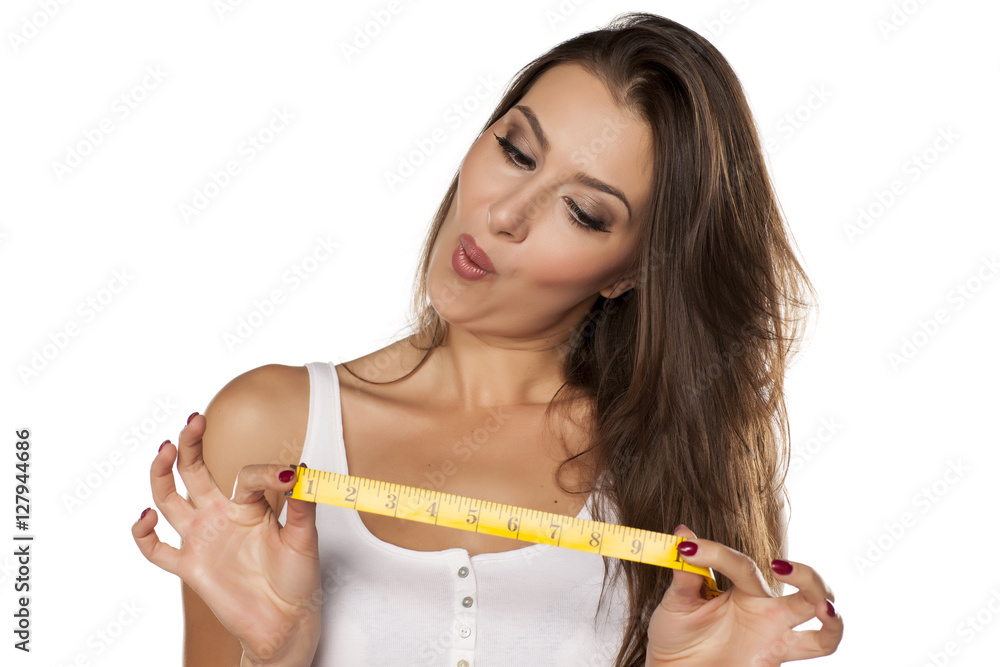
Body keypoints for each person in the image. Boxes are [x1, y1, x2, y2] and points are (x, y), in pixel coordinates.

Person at [132, 12, 844, 666]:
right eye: (516, 150)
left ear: (632, 271)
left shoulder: (685, 464)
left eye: (582, 210)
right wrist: (278, 652)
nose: (504, 213)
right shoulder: (268, 425)